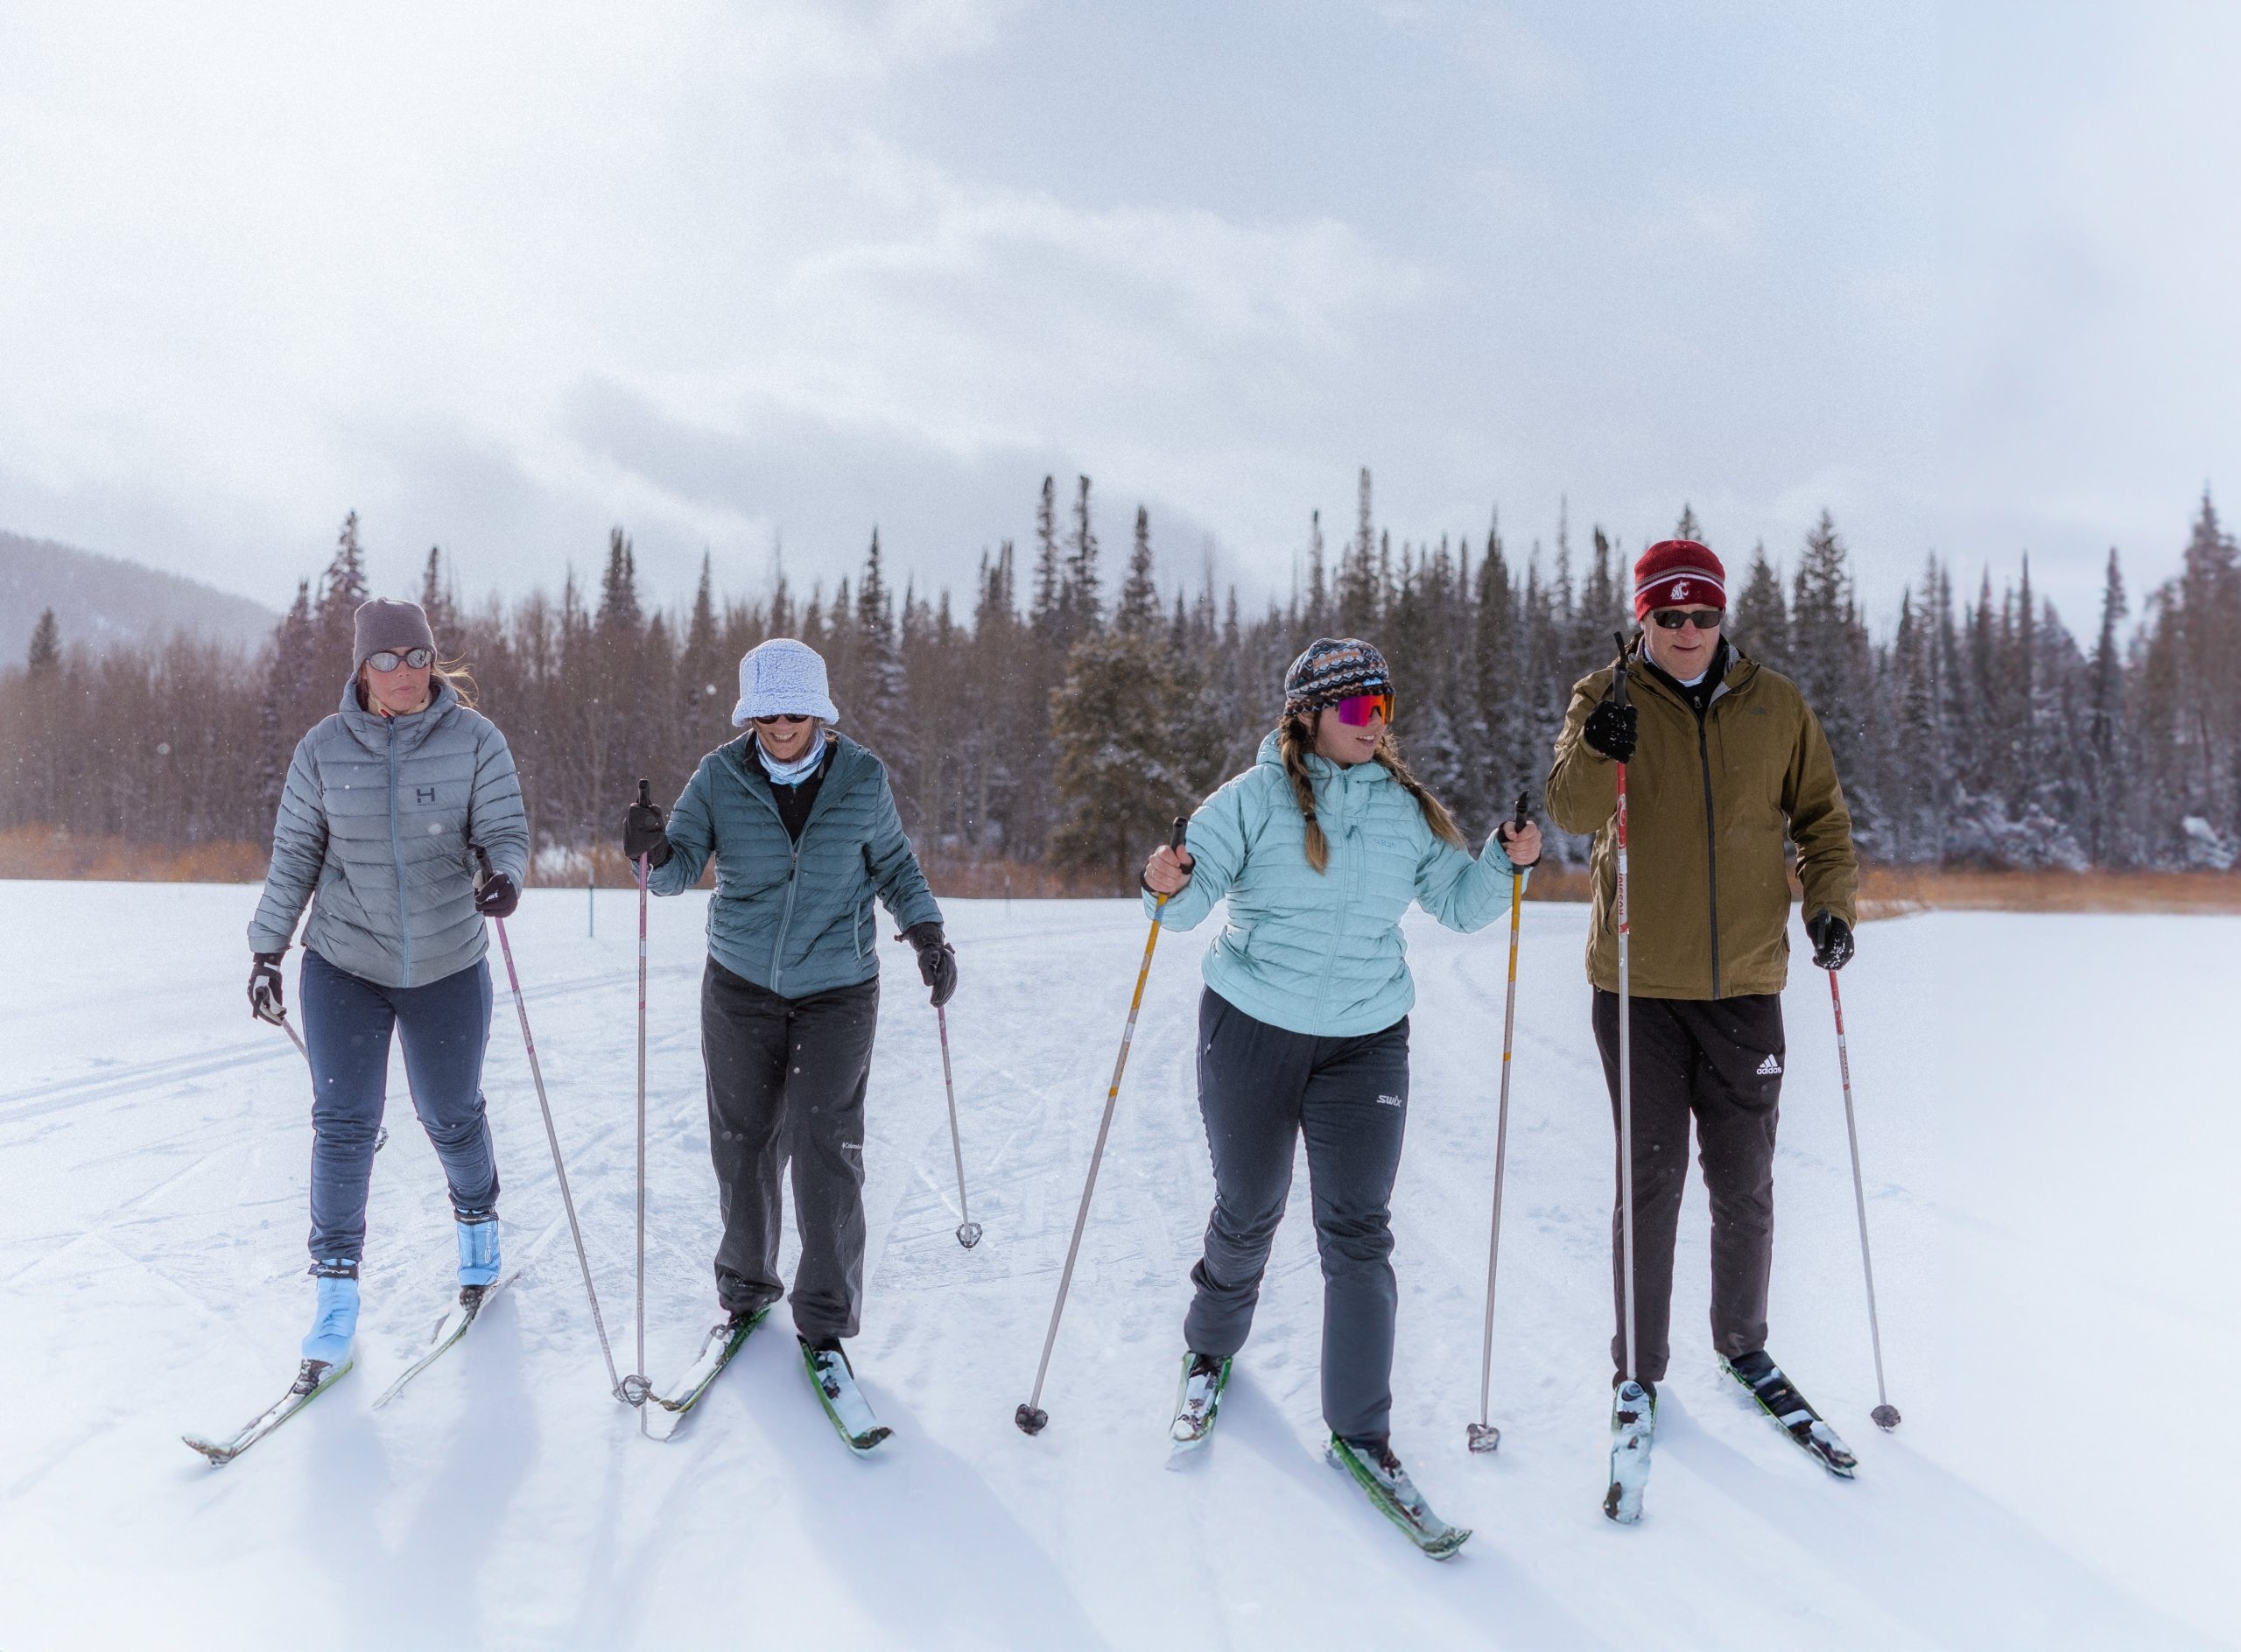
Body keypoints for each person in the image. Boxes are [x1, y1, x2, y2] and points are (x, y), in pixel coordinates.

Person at [1142, 636, 1540, 1550]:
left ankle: (1363, 1434)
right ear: (1309, 714)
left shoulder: (1403, 811)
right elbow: (1180, 905)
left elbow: (1463, 905)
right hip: (1251, 1028)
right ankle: (1208, 1353)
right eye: (1358, 709)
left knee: (1358, 1232)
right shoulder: (1246, 802)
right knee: (1249, 1207)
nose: (1374, 725)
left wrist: (1504, 862)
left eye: (1383, 709)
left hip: (1366, 1041)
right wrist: (1160, 879)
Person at [1545, 538, 1861, 1489]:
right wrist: (1603, 741)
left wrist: (1830, 903)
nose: (1686, 633)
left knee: (1745, 1182)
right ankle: (1637, 1370)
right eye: (1667, 617)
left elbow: (1822, 822)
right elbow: (1569, 810)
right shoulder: (1604, 694)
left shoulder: (1776, 705)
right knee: (1648, 1188)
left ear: (1723, 617)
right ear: (1640, 616)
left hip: (1746, 988)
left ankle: (1744, 1345)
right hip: (1637, 985)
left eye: (1702, 616)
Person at [622, 636, 952, 1443]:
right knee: (742, 1142)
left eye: (795, 711)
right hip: (739, 989)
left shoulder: (862, 778)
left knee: (827, 1145)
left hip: (839, 990)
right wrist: (651, 849)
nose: (781, 726)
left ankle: (826, 1323)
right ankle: (744, 1291)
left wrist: (927, 930)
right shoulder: (719, 777)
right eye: (766, 712)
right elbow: (675, 871)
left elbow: (896, 866)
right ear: (748, 713)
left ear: (821, 712)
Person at [246, 597, 529, 1384]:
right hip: (344, 961)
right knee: (343, 1121)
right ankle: (334, 1299)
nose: (406, 672)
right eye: (388, 659)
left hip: (446, 962)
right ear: (362, 668)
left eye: (418, 656)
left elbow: (505, 829)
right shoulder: (323, 750)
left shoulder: (478, 741)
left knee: (449, 1110)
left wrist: (503, 875)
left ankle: (480, 1240)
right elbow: (294, 856)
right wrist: (268, 950)